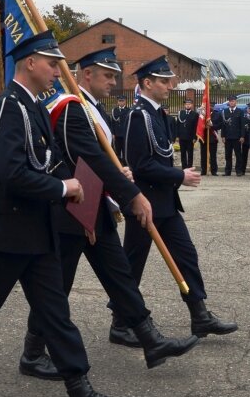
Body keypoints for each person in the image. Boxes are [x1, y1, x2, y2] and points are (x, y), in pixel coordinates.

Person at [0, 31, 135, 397]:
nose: (58, 71)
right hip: (6, 234)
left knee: (57, 316)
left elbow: (47, 162)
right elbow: (9, 171)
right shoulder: (8, 107)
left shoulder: (34, 106)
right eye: (53, 64)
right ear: (30, 62)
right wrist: (61, 187)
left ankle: (81, 393)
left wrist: (82, 185)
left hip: (38, 234)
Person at [24, 47, 198, 379]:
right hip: (73, 210)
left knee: (119, 275)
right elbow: (89, 157)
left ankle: (150, 339)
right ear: (86, 74)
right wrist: (131, 193)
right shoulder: (72, 108)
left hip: (94, 206)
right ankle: (32, 353)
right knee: (58, 284)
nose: (113, 81)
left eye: (115, 75)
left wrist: (121, 176)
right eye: (107, 75)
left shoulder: (90, 108)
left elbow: (102, 159)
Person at [121, 56, 238, 340]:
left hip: (165, 204)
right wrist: (179, 177)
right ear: (147, 83)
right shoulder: (138, 117)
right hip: (144, 203)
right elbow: (140, 165)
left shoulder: (160, 115)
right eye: (163, 81)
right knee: (132, 264)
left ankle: (199, 316)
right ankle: (120, 323)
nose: (169, 86)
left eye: (169, 80)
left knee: (186, 255)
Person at [213, 94, 244, 176]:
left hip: (237, 137)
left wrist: (242, 136)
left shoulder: (240, 111)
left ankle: (238, 171)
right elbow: (223, 125)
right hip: (228, 137)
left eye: (233, 101)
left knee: (238, 155)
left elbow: (242, 125)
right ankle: (228, 171)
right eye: (230, 101)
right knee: (228, 155)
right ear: (229, 102)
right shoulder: (225, 111)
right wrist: (223, 136)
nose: (231, 102)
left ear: (236, 102)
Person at [175, 98, 199, 169]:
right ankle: (184, 168)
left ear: (191, 105)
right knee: (183, 153)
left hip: (190, 137)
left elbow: (196, 127)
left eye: (189, 104)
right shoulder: (180, 113)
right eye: (186, 104)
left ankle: (189, 167)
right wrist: (177, 136)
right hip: (182, 137)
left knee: (190, 153)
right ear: (184, 105)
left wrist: (195, 137)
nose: (187, 105)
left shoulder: (195, 114)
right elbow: (178, 125)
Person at [110, 94, 131, 165]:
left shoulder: (129, 110)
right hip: (117, 134)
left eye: (122, 101)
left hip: (125, 134)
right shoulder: (114, 110)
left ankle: (126, 164)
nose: (121, 102)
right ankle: (118, 165)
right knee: (117, 151)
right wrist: (113, 133)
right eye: (119, 101)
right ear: (117, 102)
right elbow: (112, 123)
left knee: (125, 151)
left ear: (125, 101)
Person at [199, 103, 218, 176]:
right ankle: (203, 170)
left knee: (213, 156)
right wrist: (205, 126)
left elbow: (219, 125)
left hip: (213, 138)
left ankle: (214, 171)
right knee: (203, 155)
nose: (210, 107)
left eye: (212, 106)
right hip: (204, 138)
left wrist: (212, 126)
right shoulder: (202, 115)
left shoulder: (217, 114)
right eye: (209, 106)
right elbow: (199, 125)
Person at [239, 102, 250, 175]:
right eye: (249, 108)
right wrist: (242, 136)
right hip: (245, 139)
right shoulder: (244, 117)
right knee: (244, 156)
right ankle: (242, 170)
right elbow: (242, 128)